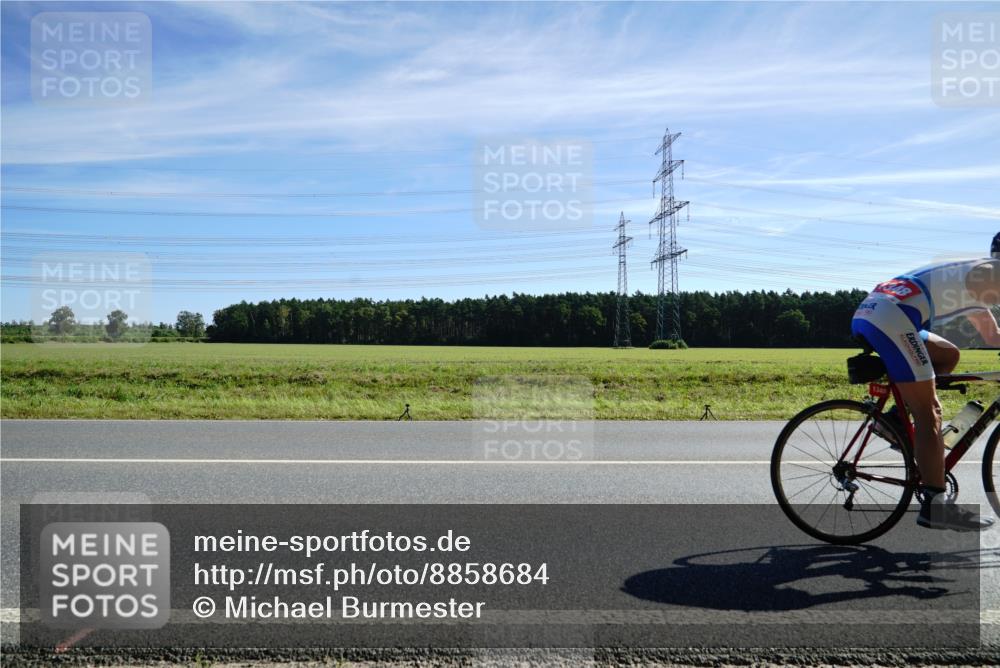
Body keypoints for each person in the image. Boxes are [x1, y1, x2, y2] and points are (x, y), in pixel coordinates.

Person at [851, 233, 1000, 531]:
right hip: (893, 317)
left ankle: (895, 420)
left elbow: (992, 335)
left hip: (878, 311)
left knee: (948, 356)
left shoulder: (977, 276)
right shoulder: (991, 273)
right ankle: (935, 505)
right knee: (929, 411)